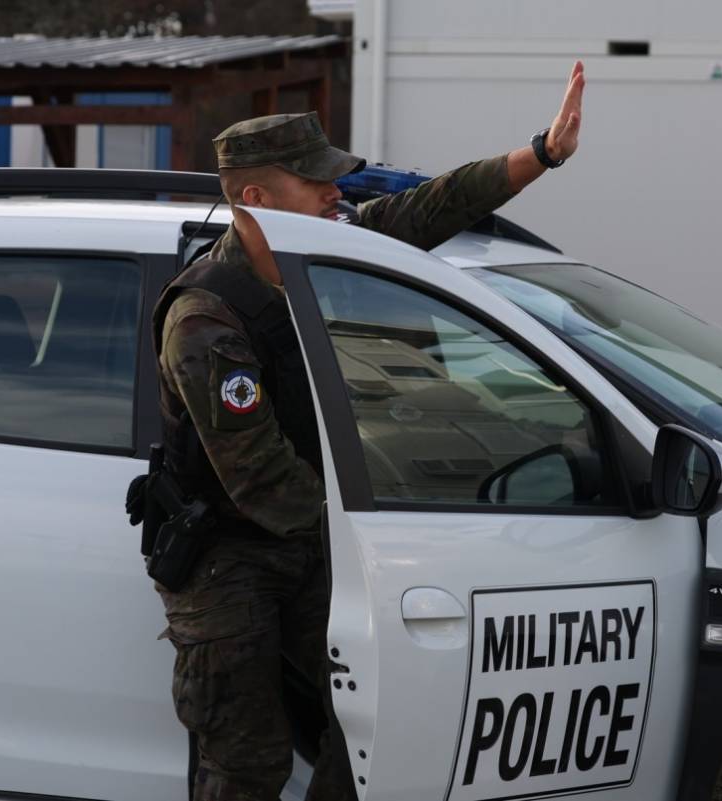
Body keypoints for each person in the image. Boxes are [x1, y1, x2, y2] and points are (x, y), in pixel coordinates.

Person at [151, 60, 586, 801]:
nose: (335, 192)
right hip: (231, 556)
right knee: (246, 762)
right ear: (256, 197)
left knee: (369, 730)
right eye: (315, 180)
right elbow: (259, 477)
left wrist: (540, 154)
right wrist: (376, 541)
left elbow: (429, 210)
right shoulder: (205, 319)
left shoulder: (318, 250)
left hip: (314, 534)